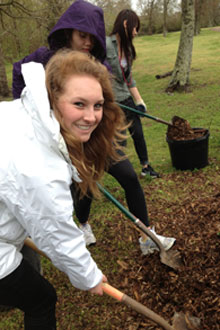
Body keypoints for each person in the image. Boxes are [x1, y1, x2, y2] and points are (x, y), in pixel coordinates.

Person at [12, 0, 175, 256]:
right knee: (83, 187)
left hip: (96, 139)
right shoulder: (45, 58)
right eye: (82, 35)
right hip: (66, 142)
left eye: (92, 37)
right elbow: (18, 71)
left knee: (130, 178)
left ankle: (147, 237)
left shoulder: (99, 66)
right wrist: (34, 113)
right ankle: (84, 225)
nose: (87, 42)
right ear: (69, 32)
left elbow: (105, 102)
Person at [0, 50, 126, 329]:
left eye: (98, 105)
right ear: (53, 97)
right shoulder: (39, 163)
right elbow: (55, 232)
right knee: (42, 299)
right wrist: (89, 276)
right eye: (79, 104)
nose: (92, 117)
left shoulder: (18, 113)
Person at [106, 9, 159, 178]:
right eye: (135, 28)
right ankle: (125, 175)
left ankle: (145, 167)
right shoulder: (106, 44)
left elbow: (129, 79)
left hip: (126, 99)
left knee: (138, 134)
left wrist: (140, 101)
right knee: (120, 141)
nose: (136, 32)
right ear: (125, 24)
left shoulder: (128, 49)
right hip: (113, 103)